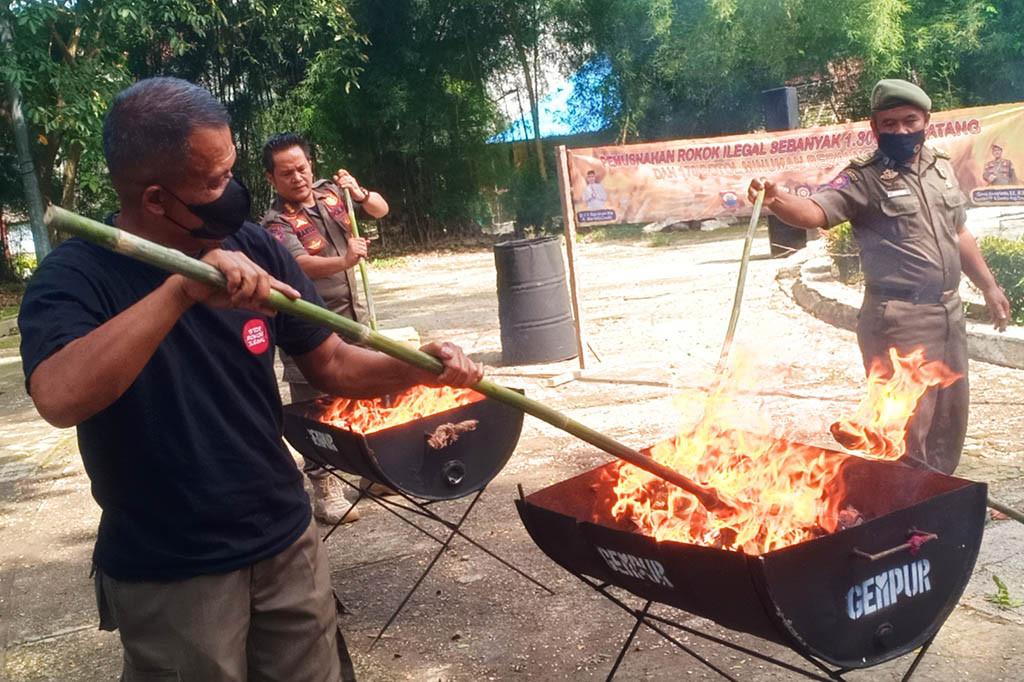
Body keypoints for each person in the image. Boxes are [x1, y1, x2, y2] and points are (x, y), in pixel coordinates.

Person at [18, 77, 483, 682]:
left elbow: (334, 364)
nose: (232, 194)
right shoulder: (76, 275)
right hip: (173, 569)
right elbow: (58, 396)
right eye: (213, 184)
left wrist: (420, 364)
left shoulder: (255, 245)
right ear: (156, 200)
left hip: (285, 539)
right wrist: (182, 291)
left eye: (232, 171)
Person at [748, 78, 1011, 475]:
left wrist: (989, 287)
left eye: (910, 121)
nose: (901, 131)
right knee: (905, 429)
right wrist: (777, 200)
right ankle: (904, 512)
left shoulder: (940, 169)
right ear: (875, 128)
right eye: (890, 124)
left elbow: (959, 232)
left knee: (948, 421)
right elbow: (816, 211)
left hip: (947, 314)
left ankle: (939, 503)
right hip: (898, 319)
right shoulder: (862, 178)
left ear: (926, 121)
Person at [261, 133, 391, 522]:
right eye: (287, 174)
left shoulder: (335, 193)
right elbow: (298, 265)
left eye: (302, 168)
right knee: (318, 405)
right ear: (272, 179)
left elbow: (381, 210)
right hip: (312, 324)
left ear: (311, 166)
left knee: (367, 390)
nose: (297, 178)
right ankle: (324, 487)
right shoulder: (275, 222)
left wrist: (361, 192)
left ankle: (371, 472)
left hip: (356, 314)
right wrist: (345, 261)